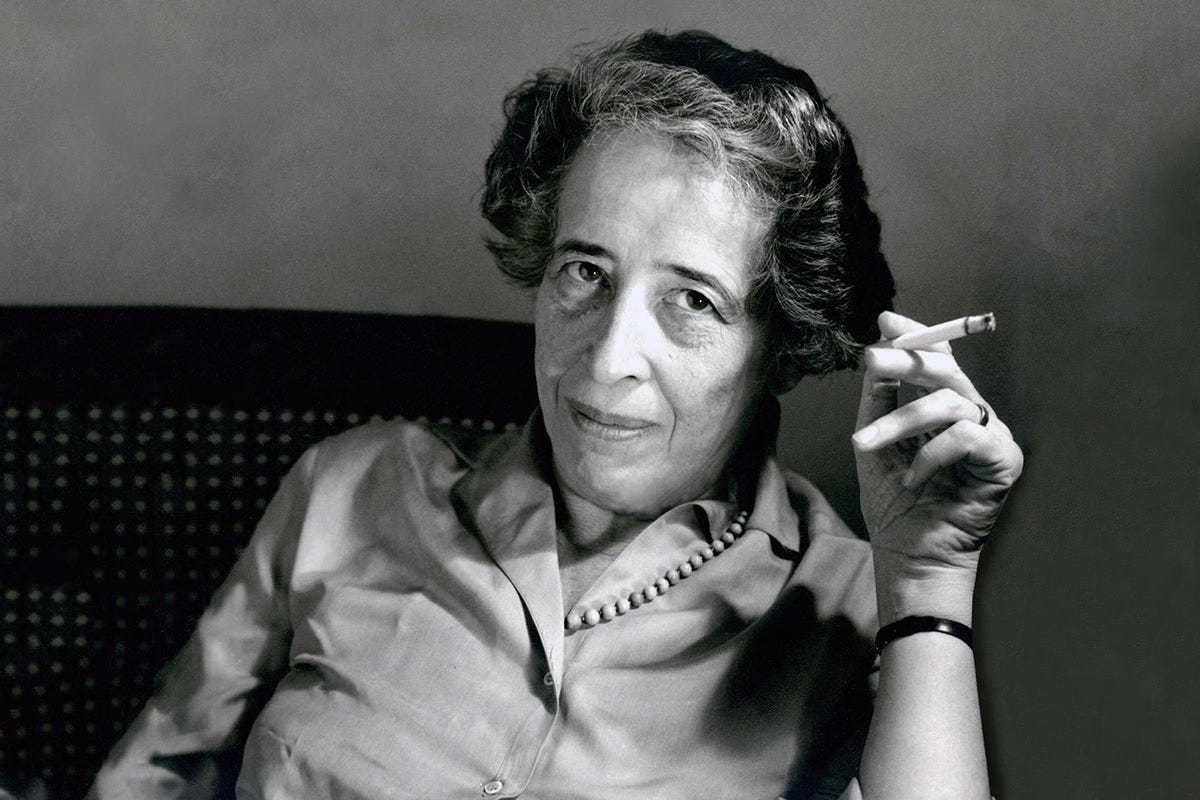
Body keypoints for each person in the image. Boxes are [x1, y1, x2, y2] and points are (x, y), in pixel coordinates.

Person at [87, 30, 1022, 800]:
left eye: (692, 300)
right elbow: (149, 782)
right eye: (585, 272)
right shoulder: (352, 487)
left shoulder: (855, 605)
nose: (607, 359)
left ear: (779, 341)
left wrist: (929, 588)